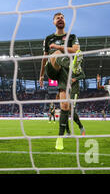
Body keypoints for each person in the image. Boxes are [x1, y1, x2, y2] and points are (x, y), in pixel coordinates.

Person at [39, 12, 84, 150]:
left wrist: (58, 47)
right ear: (53, 22)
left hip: (64, 73)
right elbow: (44, 57)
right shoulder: (48, 38)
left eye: (62, 17)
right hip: (52, 69)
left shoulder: (72, 36)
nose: (60, 19)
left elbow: (76, 50)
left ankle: (60, 138)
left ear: (65, 21)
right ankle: (72, 65)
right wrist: (41, 76)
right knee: (57, 54)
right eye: (57, 18)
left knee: (65, 106)